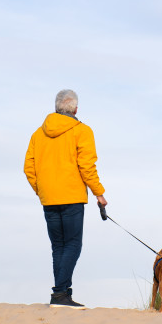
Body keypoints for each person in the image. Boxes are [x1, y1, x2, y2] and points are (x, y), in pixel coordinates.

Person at [24, 89, 107, 309]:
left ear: (56, 107)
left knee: (59, 246)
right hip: (71, 196)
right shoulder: (82, 131)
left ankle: (63, 293)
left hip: (49, 198)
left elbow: (29, 168)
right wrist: (99, 193)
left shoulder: (37, 134)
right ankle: (60, 294)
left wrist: (41, 190)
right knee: (72, 245)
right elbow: (87, 167)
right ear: (76, 109)